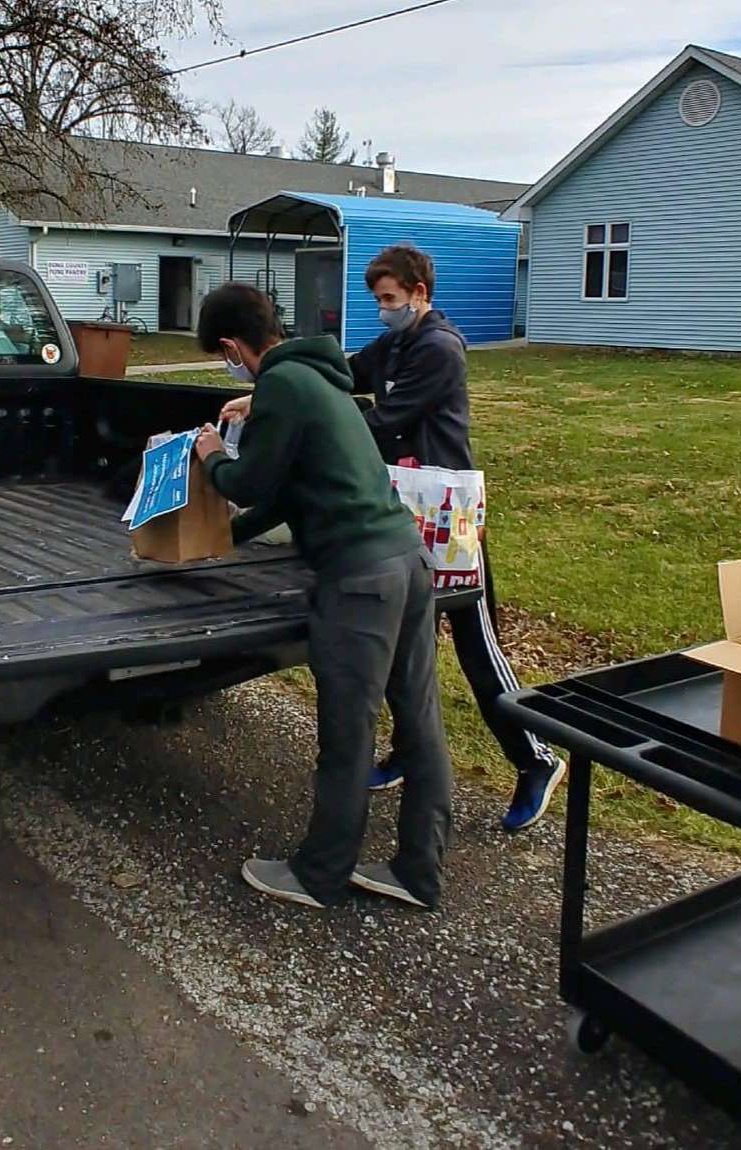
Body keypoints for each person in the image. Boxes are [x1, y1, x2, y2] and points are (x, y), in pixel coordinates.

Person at [221, 245, 566, 833]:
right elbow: (345, 375)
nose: (383, 311)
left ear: (419, 295)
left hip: (448, 514)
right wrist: (271, 393)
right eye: (377, 300)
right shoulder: (398, 343)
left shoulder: (439, 349)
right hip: (404, 507)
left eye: (390, 300)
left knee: (475, 642)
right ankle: (409, 752)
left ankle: (535, 758)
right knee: (413, 651)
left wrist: (303, 417)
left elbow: (384, 419)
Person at [192, 282, 453, 911]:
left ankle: (321, 874)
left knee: (347, 731)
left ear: (232, 346)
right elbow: (288, 493)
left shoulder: (281, 386)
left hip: (359, 578)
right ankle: (420, 873)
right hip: (408, 560)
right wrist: (222, 538)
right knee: (419, 723)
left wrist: (208, 459)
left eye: (222, 355)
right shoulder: (322, 378)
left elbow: (251, 481)